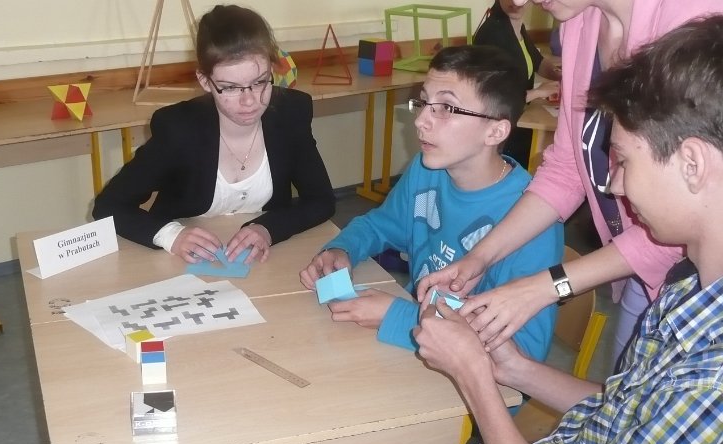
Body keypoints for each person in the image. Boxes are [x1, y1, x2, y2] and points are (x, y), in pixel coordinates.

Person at [207, 15, 723, 444]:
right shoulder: (687, 295)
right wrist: (515, 368)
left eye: (623, 160)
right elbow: (623, 415)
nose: (613, 188)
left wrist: (476, 373)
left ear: (693, 163)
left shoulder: (710, 378)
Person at [417, 0, 721, 368]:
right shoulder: (579, 22)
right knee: (628, 392)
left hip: (695, 274)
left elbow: (696, 205)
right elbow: (566, 169)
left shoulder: (697, 18)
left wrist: (545, 287)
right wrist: (480, 257)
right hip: (643, 270)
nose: (522, 1)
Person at [299, 44, 562, 361]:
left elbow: (523, 356)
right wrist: (343, 249)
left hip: (472, 378)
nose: (421, 120)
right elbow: (380, 225)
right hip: (420, 347)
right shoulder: (427, 170)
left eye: (446, 108)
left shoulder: (533, 219)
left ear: (495, 131)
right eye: (424, 102)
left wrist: (401, 318)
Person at [92, 5, 335, 265]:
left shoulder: (290, 114)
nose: (249, 101)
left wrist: (268, 229)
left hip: (262, 261)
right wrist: (172, 235)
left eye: (260, 82)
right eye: (230, 88)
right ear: (205, 81)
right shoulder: (178, 129)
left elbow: (321, 200)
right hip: (182, 264)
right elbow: (108, 206)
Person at [473, 0, 561, 165]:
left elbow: (537, 61)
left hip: (518, 115)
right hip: (501, 128)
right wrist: (539, 92)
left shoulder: (516, 26)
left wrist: (561, 76)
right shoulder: (492, 33)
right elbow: (496, 95)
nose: (515, 2)